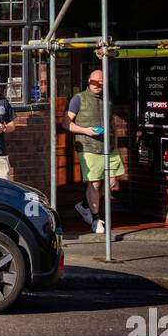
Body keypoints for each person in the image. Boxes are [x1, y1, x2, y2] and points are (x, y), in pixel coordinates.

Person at [66, 68, 124, 234]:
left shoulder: (107, 99)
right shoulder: (78, 99)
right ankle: (95, 218)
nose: (97, 85)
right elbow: (66, 123)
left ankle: (85, 204)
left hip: (108, 146)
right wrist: (86, 131)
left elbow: (111, 121)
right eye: (94, 82)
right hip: (88, 146)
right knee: (95, 182)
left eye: (101, 83)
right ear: (88, 82)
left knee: (112, 182)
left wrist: (115, 139)